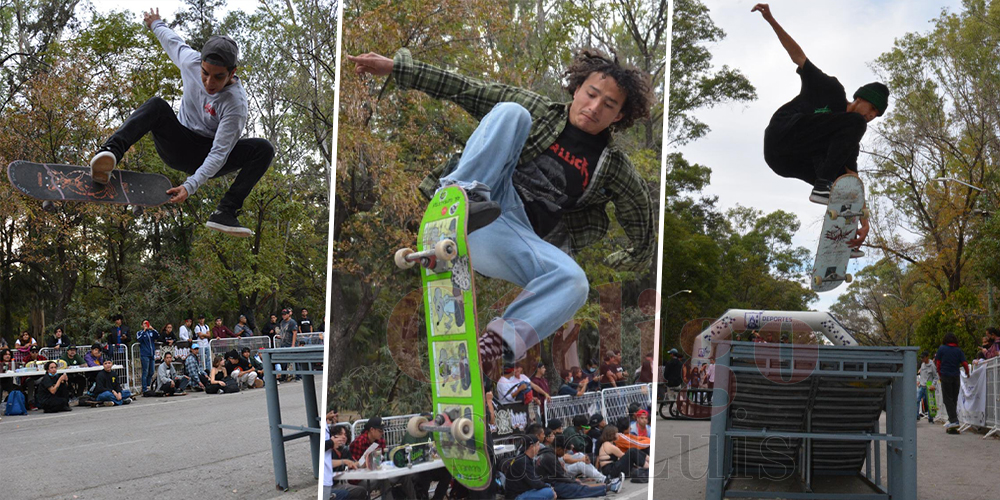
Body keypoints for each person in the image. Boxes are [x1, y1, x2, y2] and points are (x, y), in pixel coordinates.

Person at [348, 46, 655, 376]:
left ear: (619, 115)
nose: (594, 108)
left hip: (516, 240)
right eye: (591, 94)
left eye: (608, 105)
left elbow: (642, 222)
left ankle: (493, 345)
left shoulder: (614, 168)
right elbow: (466, 88)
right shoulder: (539, 110)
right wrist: (396, 69)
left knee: (575, 282)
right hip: (489, 204)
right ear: (577, 88)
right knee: (511, 112)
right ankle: (459, 197)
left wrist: (625, 259)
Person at [89, 8, 273, 236]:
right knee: (157, 105)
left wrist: (190, 185)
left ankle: (225, 212)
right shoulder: (190, 62)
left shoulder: (236, 104)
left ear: (232, 73)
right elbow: (172, 42)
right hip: (178, 145)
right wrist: (155, 23)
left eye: (218, 77)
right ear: (201, 64)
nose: (208, 82)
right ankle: (110, 154)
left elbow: (219, 153)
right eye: (205, 73)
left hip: (208, 155)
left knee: (263, 149)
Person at [752, 3, 887, 255]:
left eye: (875, 116)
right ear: (859, 97)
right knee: (845, 144)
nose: (870, 116)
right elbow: (798, 56)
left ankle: (842, 238)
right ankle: (823, 185)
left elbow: (853, 179)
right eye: (871, 109)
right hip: (783, 133)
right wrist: (771, 19)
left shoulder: (846, 141)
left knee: (844, 183)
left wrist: (864, 218)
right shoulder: (832, 89)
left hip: (783, 163)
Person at [536, 434, 621, 498]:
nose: (564, 454)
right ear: (558, 449)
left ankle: (608, 485)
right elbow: (561, 476)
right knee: (578, 488)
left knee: (578, 484)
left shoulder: (547, 453)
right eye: (564, 451)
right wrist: (574, 481)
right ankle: (610, 487)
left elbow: (560, 474)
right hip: (550, 485)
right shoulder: (550, 457)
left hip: (550, 482)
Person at [500, 435, 555, 500]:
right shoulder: (523, 461)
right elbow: (535, 483)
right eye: (537, 445)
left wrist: (547, 485)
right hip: (516, 496)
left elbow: (535, 479)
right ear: (532, 446)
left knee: (548, 488)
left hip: (524, 491)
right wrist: (548, 487)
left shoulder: (525, 458)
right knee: (549, 492)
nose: (539, 447)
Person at [324, 417, 366, 500]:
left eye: (345, 435)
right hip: (329, 485)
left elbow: (353, 463)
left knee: (361, 491)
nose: (343, 437)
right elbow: (327, 462)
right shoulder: (329, 451)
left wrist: (363, 462)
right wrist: (344, 461)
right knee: (349, 493)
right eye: (340, 434)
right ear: (332, 437)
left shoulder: (345, 450)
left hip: (338, 483)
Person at [935, 332, 970, 430]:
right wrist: (967, 373)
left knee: (947, 399)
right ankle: (952, 420)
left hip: (945, 375)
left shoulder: (942, 349)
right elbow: (964, 363)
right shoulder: (958, 350)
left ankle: (954, 420)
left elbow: (938, 363)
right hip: (956, 376)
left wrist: (940, 374)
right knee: (954, 398)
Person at [136, 320, 160, 393]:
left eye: (147, 324)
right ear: (142, 325)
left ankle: (148, 385)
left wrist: (152, 329)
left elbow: (158, 336)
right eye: (144, 324)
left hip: (151, 354)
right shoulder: (140, 332)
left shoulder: (151, 332)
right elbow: (139, 339)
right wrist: (144, 331)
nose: (146, 325)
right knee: (145, 371)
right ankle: (144, 388)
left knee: (152, 371)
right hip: (145, 354)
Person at [917, 351, 938, 424]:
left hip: (928, 386)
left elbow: (936, 377)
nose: (922, 359)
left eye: (923, 357)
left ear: (927, 357)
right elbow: (922, 375)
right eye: (921, 358)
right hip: (921, 385)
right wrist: (919, 381)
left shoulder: (932, 366)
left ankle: (931, 418)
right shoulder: (922, 365)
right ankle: (916, 416)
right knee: (917, 399)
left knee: (930, 402)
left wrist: (933, 385)